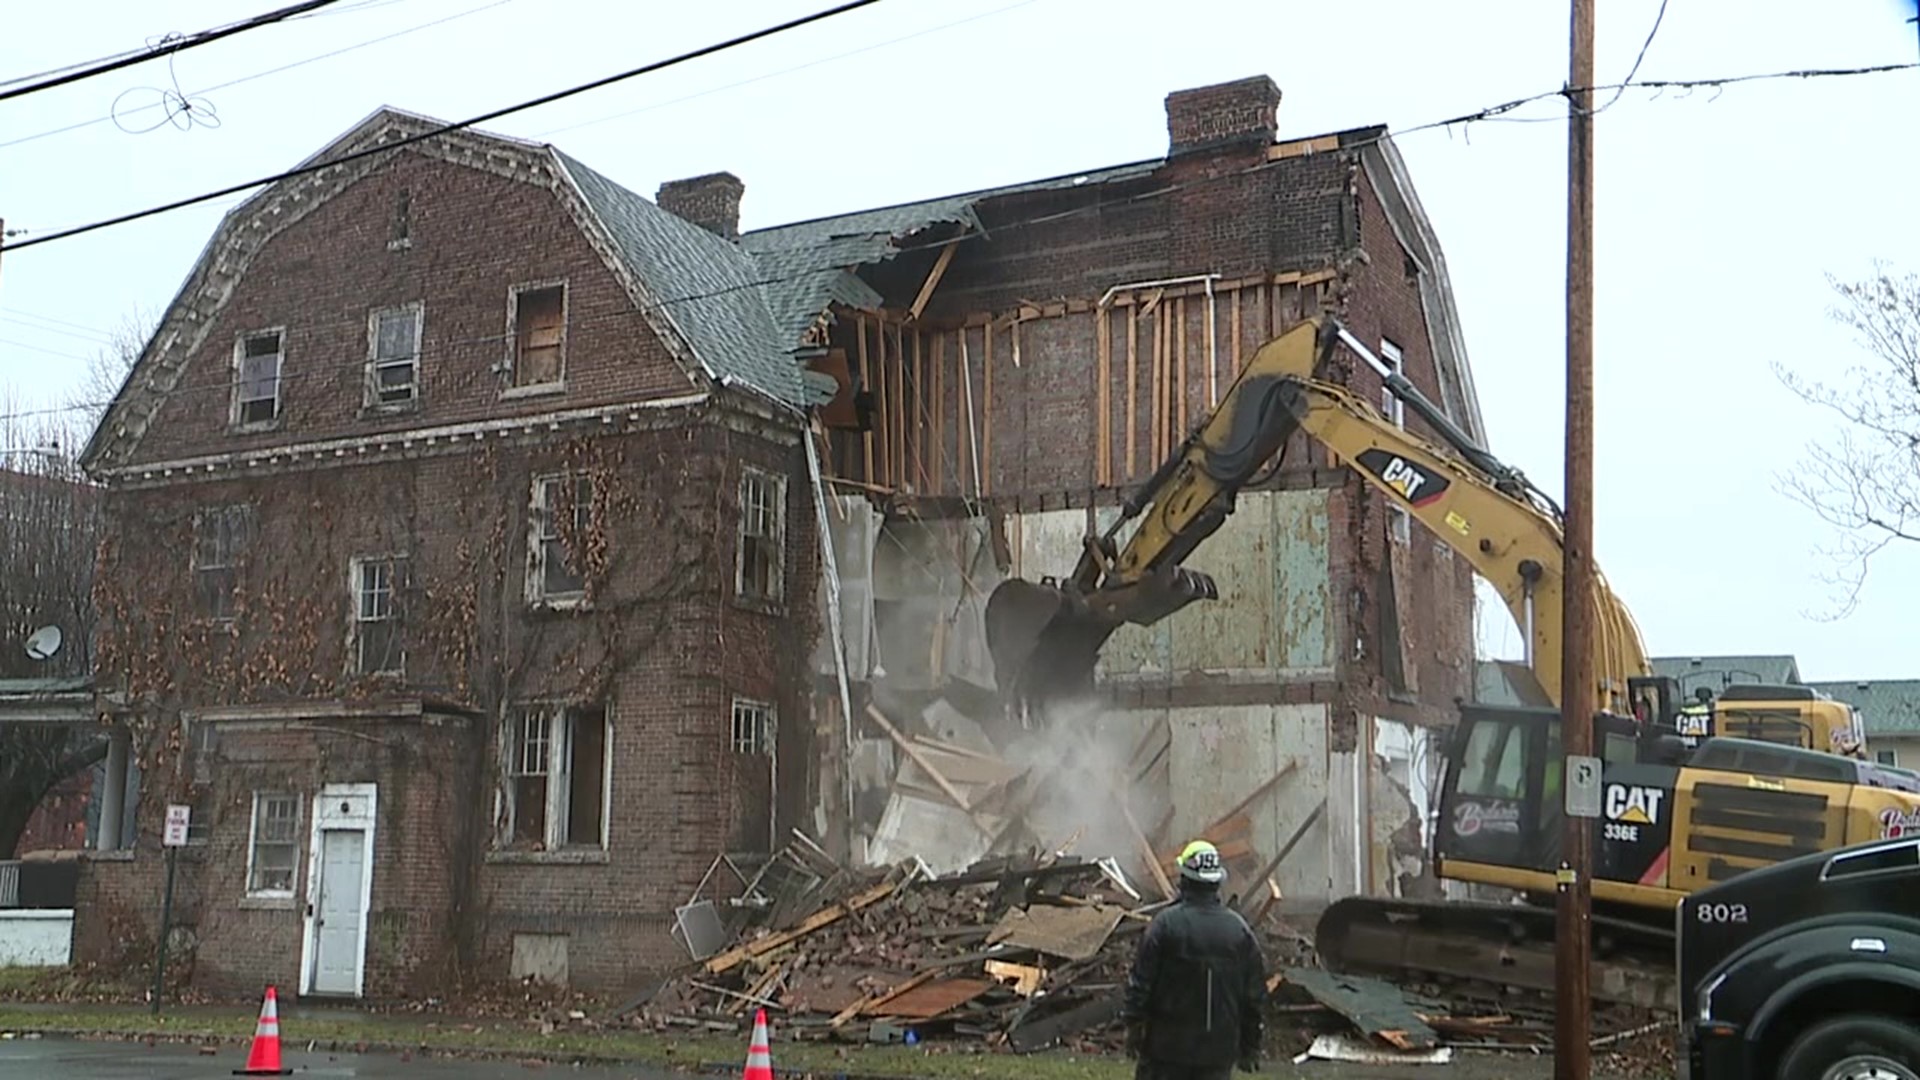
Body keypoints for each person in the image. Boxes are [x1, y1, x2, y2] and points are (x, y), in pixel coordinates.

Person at [1122, 839, 1268, 1079]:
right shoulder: (1239, 931)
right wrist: (1250, 1046)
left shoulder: (1164, 925)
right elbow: (1254, 998)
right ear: (1218, 882)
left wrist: (1133, 1029)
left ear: (1184, 879)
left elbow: (1140, 985)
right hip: (1218, 1056)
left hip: (1166, 1052)